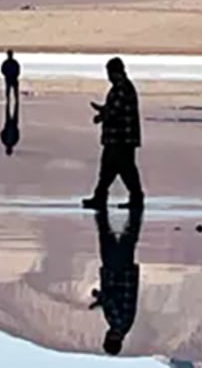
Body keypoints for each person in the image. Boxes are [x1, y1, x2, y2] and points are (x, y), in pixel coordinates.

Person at [82, 57, 144, 210]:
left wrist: (101, 115)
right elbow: (114, 108)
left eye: (109, 72)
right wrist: (103, 110)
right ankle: (103, 197)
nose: (108, 76)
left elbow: (115, 111)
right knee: (113, 170)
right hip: (120, 138)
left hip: (121, 138)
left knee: (121, 169)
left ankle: (132, 198)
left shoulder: (122, 88)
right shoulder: (121, 87)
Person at [88, 205, 143, 356]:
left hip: (122, 273)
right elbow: (111, 300)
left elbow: (114, 301)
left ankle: (133, 207)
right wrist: (98, 297)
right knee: (110, 236)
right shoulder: (118, 324)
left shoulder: (123, 324)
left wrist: (100, 301)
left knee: (125, 237)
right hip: (118, 273)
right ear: (111, 339)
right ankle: (132, 205)